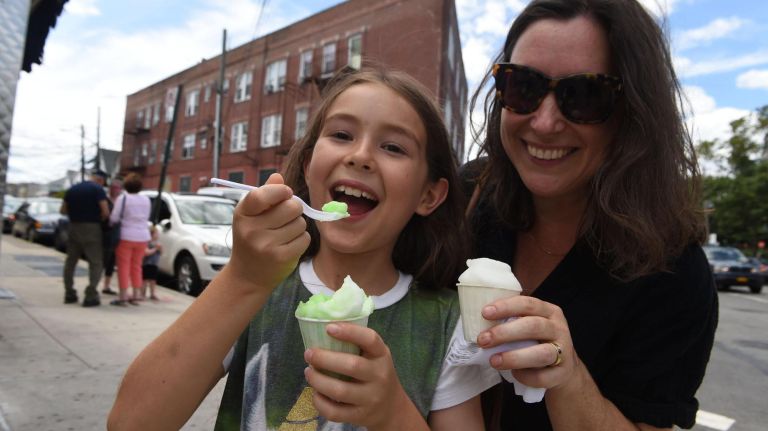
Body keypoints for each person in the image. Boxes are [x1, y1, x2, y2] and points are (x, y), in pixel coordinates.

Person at [108, 67, 498, 430]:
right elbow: (130, 422)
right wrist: (243, 278)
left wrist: (393, 413)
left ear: (429, 195)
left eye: (393, 147)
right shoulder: (258, 288)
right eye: (342, 135)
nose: (359, 156)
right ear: (310, 166)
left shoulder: (447, 325)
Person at [461, 1, 719, 430]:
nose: (544, 123)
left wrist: (568, 378)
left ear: (633, 113)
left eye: (583, 96)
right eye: (522, 86)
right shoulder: (468, 194)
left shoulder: (673, 273)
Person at [60, 169, 110, 307]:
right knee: (95, 262)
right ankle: (91, 294)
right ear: (100, 180)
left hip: (74, 227)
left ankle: (69, 292)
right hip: (92, 228)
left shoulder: (73, 189)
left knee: (71, 261)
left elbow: (63, 210)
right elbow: (105, 211)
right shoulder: (98, 190)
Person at [109, 173, 151, 306]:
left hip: (126, 235)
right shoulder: (146, 200)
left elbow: (114, 218)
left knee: (123, 266)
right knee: (137, 266)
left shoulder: (123, 198)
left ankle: (123, 296)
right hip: (143, 236)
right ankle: (136, 294)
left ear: (126, 186)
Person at [101, 177, 123, 295]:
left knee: (112, 261)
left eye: (117, 188)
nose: (114, 190)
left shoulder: (121, 201)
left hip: (117, 234)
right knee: (104, 259)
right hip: (106, 233)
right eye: (113, 187)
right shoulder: (105, 200)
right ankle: (95, 283)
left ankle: (106, 285)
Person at [141, 225, 161, 301]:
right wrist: (155, 249)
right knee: (145, 280)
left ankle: (152, 294)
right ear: (151, 234)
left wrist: (160, 249)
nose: (158, 235)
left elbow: (161, 253)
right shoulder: (147, 243)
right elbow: (146, 253)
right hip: (147, 264)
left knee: (153, 280)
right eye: (156, 233)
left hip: (154, 264)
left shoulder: (158, 243)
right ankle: (142, 293)